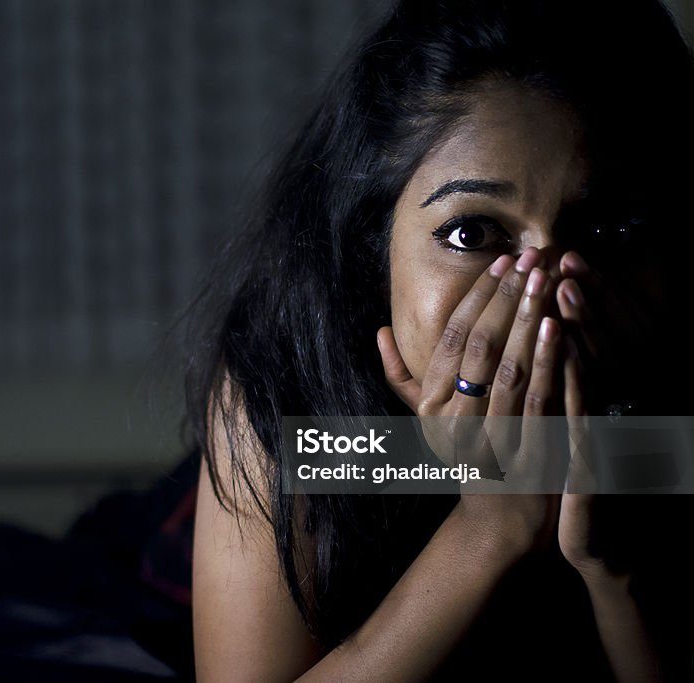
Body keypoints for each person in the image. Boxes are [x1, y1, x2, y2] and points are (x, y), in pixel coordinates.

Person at [186, 0, 694, 680]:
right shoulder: (289, 384)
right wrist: (491, 525)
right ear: (377, 248)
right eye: (472, 234)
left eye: (608, 232)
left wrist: (620, 574)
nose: (537, 297)